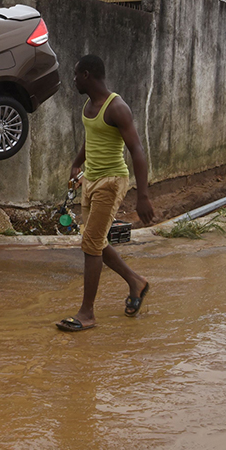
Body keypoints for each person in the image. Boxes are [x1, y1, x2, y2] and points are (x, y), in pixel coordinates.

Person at [56, 54, 155, 332]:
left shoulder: (117, 107)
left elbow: (136, 150)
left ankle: (87, 313)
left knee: (90, 244)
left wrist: (143, 195)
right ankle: (136, 282)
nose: (73, 80)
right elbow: (92, 138)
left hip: (111, 182)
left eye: (76, 75)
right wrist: (77, 163)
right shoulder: (89, 106)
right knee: (94, 241)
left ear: (87, 74)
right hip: (91, 180)